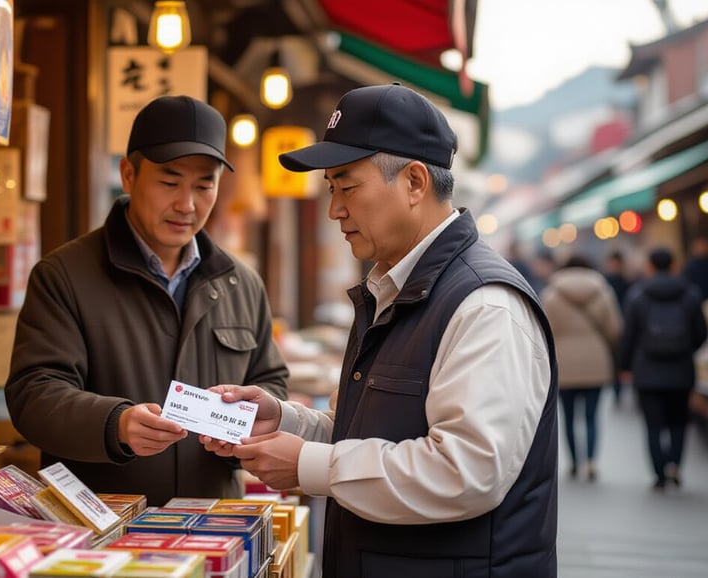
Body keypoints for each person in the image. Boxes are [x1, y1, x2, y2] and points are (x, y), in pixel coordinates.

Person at [202, 83, 559, 577]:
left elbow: (466, 471)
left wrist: (309, 465)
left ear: (415, 182)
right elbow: (374, 432)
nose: (335, 210)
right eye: (331, 189)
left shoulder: (484, 304)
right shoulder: (393, 287)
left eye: (348, 187)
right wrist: (286, 422)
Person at [5, 95, 289, 505]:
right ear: (128, 174)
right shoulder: (63, 275)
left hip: (214, 519)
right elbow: (33, 394)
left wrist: (246, 424)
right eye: (170, 182)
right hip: (103, 526)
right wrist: (114, 423)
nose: (186, 205)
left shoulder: (241, 283)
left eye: (204, 185)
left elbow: (271, 382)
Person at [619, 247, 708, 491]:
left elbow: (629, 336)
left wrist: (624, 365)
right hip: (681, 370)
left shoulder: (638, 295)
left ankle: (659, 473)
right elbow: (702, 333)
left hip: (648, 371)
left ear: (650, 266)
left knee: (653, 424)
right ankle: (675, 466)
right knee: (679, 421)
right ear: (674, 265)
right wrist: (687, 348)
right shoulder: (690, 295)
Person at [541, 255, 622, 481]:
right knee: (592, 416)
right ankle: (591, 461)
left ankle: (574, 462)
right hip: (596, 359)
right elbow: (614, 329)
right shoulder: (603, 292)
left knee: (567, 416)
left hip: (564, 362)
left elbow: (544, 330)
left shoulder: (551, 295)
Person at [602, 250, 632, 403]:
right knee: (615, 361)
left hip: (619, 328)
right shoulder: (605, 284)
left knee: (618, 361)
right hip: (614, 328)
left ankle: (618, 389)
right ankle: (617, 389)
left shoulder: (605, 284)